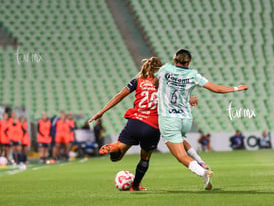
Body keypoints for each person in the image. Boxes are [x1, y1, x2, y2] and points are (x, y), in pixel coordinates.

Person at [89, 57, 207, 191]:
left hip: (134, 122)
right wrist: (190, 101)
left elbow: (119, 96)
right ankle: (135, 186)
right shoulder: (165, 85)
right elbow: (176, 101)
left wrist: (101, 112)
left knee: (116, 157)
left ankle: (115, 147)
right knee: (145, 158)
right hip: (152, 126)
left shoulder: (137, 81)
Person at [154, 49, 248, 190]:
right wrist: (236, 88)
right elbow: (215, 89)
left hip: (168, 118)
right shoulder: (193, 75)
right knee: (180, 140)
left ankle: (203, 172)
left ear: (175, 60)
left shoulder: (165, 69)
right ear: (189, 62)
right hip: (185, 119)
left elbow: (155, 84)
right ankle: (201, 162)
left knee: (180, 156)